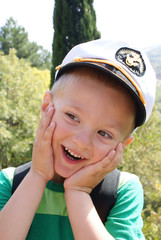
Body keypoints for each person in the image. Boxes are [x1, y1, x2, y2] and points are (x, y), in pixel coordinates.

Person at [0, 39, 156, 240]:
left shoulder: (123, 191)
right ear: (47, 107)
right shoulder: (10, 182)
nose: (82, 141)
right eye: (72, 117)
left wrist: (78, 192)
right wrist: (37, 175)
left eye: (104, 133)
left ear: (122, 146)